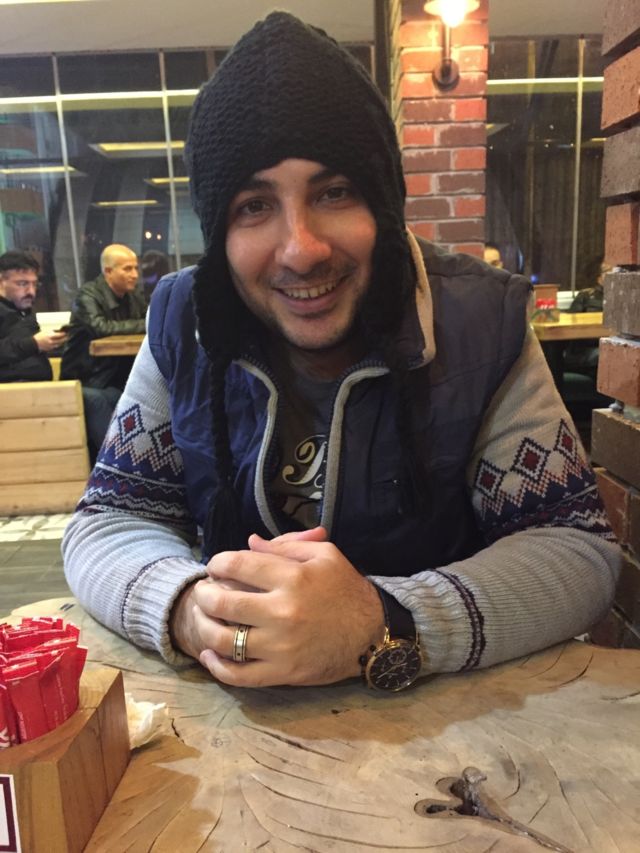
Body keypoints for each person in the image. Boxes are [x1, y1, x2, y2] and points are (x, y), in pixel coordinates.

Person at [62, 13, 620, 693]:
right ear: (218, 231)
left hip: (446, 719)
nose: (301, 249)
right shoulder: (185, 320)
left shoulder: (479, 321)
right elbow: (110, 520)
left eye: (334, 192)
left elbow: (575, 548)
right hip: (237, 724)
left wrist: (380, 622)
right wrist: (187, 609)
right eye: (253, 206)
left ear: (383, 202)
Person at [61, 243, 146, 455]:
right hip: (86, 377)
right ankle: (117, 458)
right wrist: (143, 324)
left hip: (116, 376)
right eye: (127, 269)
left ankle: (140, 458)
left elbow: (150, 320)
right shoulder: (87, 296)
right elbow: (101, 328)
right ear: (108, 271)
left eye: (136, 268)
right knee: (102, 400)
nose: (135, 275)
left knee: (145, 396)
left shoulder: (133, 297)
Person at [0, 250, 66, 382]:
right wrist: (34, 344)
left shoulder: (24, 311)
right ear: (1, 281)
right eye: (22, 284)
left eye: (34, 284)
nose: (31, 291)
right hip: (11, 389)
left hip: (39, 386)